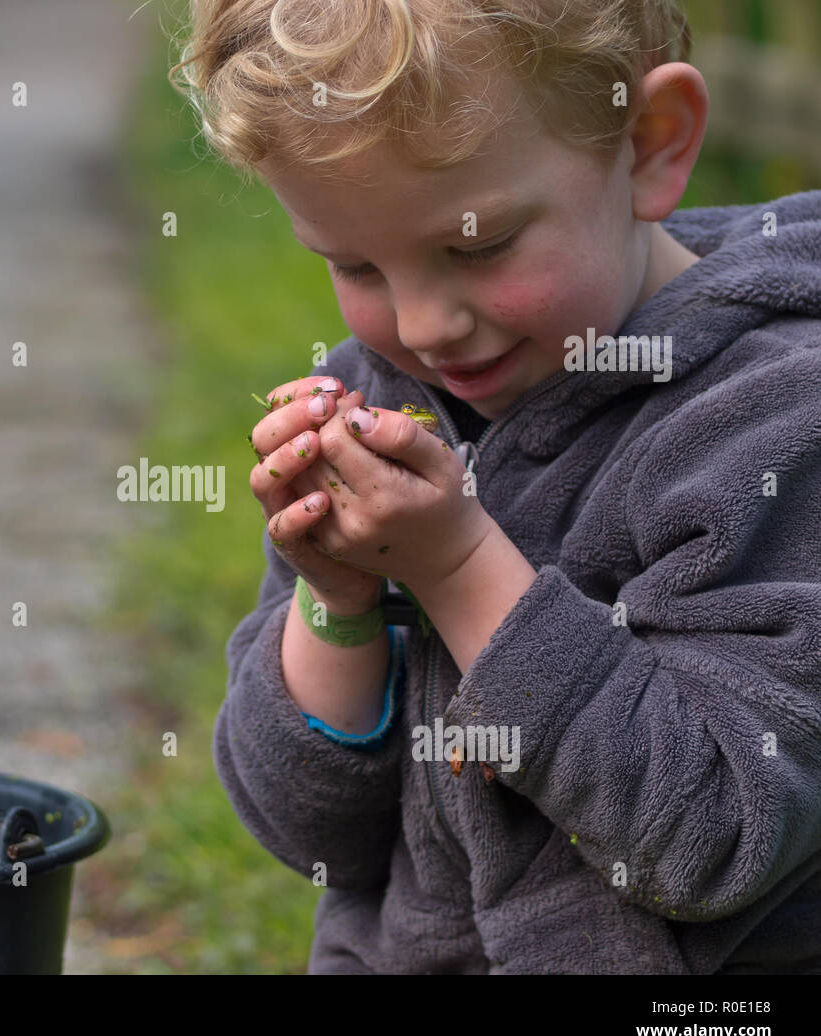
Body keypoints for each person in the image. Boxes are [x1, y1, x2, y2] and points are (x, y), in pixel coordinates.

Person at [172, 0, 821, 972]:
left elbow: (715, 834)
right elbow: (311, 843)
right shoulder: (381, 390)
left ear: (648, 146)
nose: (425, 327)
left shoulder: (772, 423)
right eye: (353, 264)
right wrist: (337, 601)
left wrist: (459, 567)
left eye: (476, 248)